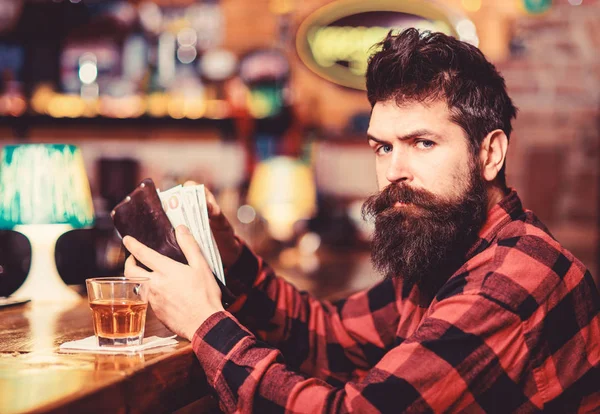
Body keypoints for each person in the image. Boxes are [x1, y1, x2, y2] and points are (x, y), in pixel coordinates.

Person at [123, 29, 600, 413]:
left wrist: (205, 321)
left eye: (423, 143)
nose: (394, 172)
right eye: (383, 147)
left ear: (489, 153)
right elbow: (328, 337)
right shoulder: (451, 248)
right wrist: (230, 252)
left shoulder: (513, 280)